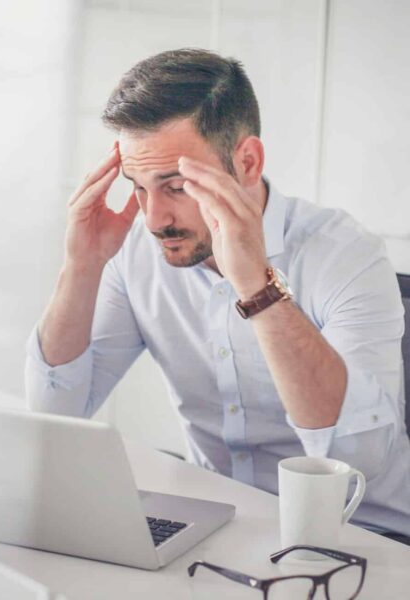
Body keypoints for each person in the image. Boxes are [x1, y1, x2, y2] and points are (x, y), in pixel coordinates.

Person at [25, 48, 410, 539]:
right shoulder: (137, 251)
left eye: (177, 186)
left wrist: (258, 286)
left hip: (364, 539)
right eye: (138, 187)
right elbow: (53, 415)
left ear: (246, 161)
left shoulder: (345, 255)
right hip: (223, 528)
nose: (154, 218)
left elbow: (357, 459)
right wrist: (82, 266)